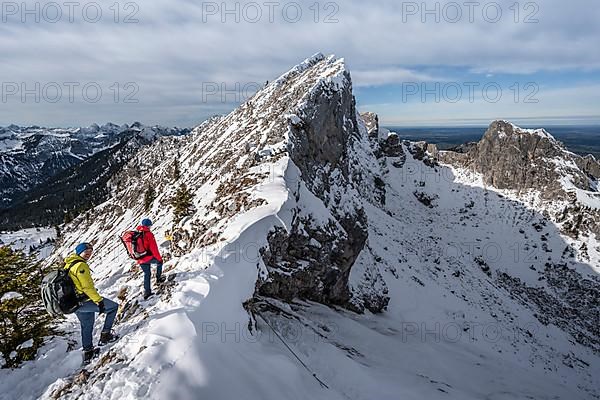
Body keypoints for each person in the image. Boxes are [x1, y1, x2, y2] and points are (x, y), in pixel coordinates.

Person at [65, 242, 119, 364]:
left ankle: (88, 352)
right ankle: (106, 335)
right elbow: (87, 287)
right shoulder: (80, 266)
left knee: (87, 325)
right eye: (86, 252)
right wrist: (99, 301)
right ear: (79, 252)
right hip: (84, 300)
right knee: (113, 307)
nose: (89, 254)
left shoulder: (69, 264)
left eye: (90, 252)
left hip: (74, 303)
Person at [136, 218, 164, 299]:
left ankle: (147, 292)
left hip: (140, 258)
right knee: (160, 263)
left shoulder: (138, 233)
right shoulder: (149, 234)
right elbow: (154, 249)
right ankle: (158, 279)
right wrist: (159, 258)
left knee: (147, 274)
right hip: (148, 257)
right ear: (148, 226)